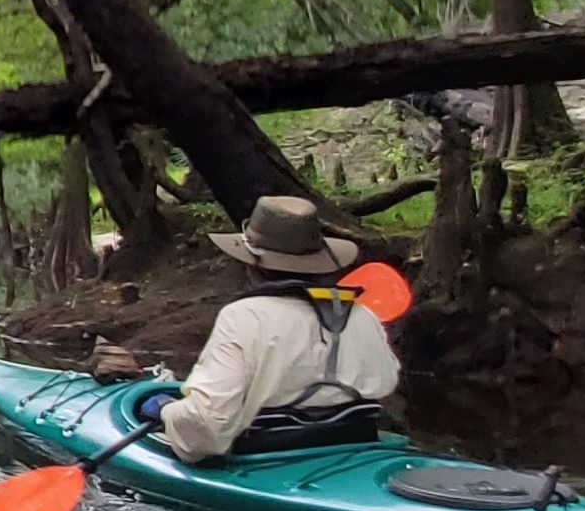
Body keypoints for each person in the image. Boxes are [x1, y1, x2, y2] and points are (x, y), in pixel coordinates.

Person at [145, 194, 399, 463]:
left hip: (265, 457)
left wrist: (166, 411)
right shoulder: (362, 315)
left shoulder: (243, 317)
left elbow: (207, 427)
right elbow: (387, 382)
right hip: (356, 446)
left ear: (253, 264)